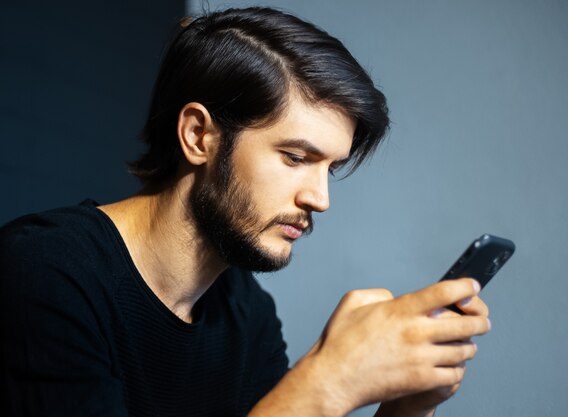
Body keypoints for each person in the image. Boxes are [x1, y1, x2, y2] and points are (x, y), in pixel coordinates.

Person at [0, 7, 491, 417]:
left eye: (330, 168)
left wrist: (404, 408)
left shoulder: (245, 312)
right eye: (296, 158)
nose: (319, 198)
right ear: (199, 136)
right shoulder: (46, 271)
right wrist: (327, 381)